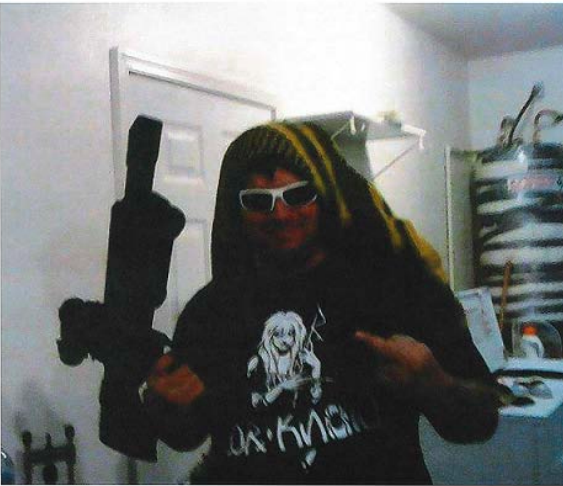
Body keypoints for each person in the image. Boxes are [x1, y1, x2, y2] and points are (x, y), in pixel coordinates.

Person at [99, 121, 499, 484]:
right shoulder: (211, 311)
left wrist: (435, 385)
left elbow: (480, 420)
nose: (281, 215)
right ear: (237, 210)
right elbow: (188, 435)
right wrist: (167, 406)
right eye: (259, 201)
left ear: (324, 195)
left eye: (297, 195)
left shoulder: (389, 287)